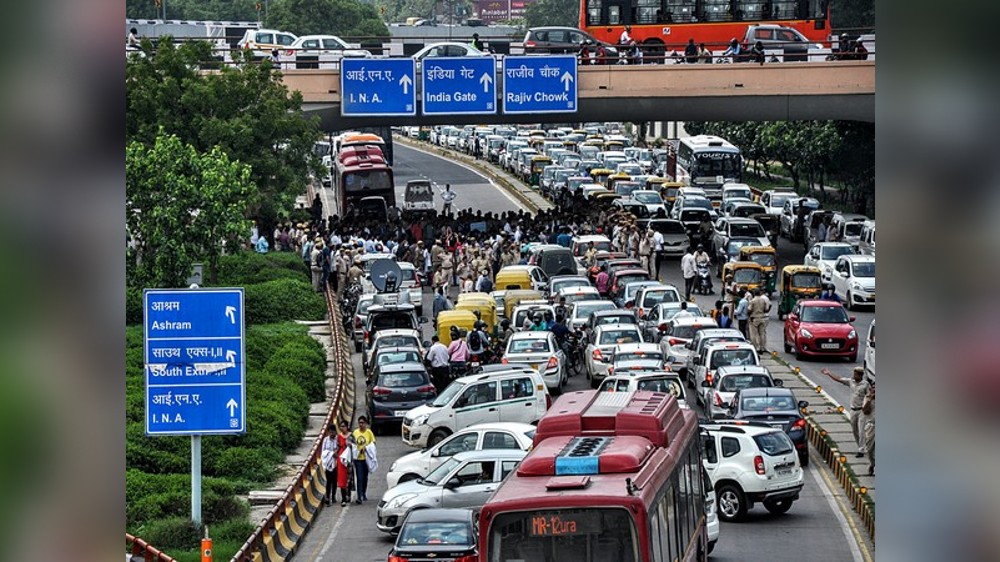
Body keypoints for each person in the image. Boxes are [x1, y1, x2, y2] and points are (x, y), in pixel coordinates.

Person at [823, 367, 872, 458]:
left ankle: (861, 450)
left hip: (861, 410)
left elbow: (869, 397)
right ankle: (860, 445)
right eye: (854, 374)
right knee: (854, 430)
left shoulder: (865, 385)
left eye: (856, 374)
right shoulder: (851, 381)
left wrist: (868, 408)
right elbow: (839, 379)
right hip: (853, 410)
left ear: (860, 375)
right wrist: (829, 373)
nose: (854, 376)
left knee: (861, 431)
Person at [349, 416, 375, 504]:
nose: (361, 424)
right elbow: (352, 443)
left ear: (366, 423)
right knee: (359, 477)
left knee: (365, 477)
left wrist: (366, 448)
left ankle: (363, 493)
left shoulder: (369, 433)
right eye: (359, 422)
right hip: (358, 459)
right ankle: (359, 496)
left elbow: (373, 443)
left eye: (363, 423)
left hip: (366, 459)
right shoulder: (355, 433)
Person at [861, 385, 874, 475]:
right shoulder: (867, 398)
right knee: (869, 449)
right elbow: (865, 411)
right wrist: (870, 400)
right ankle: (872, 464)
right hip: (871, 426)